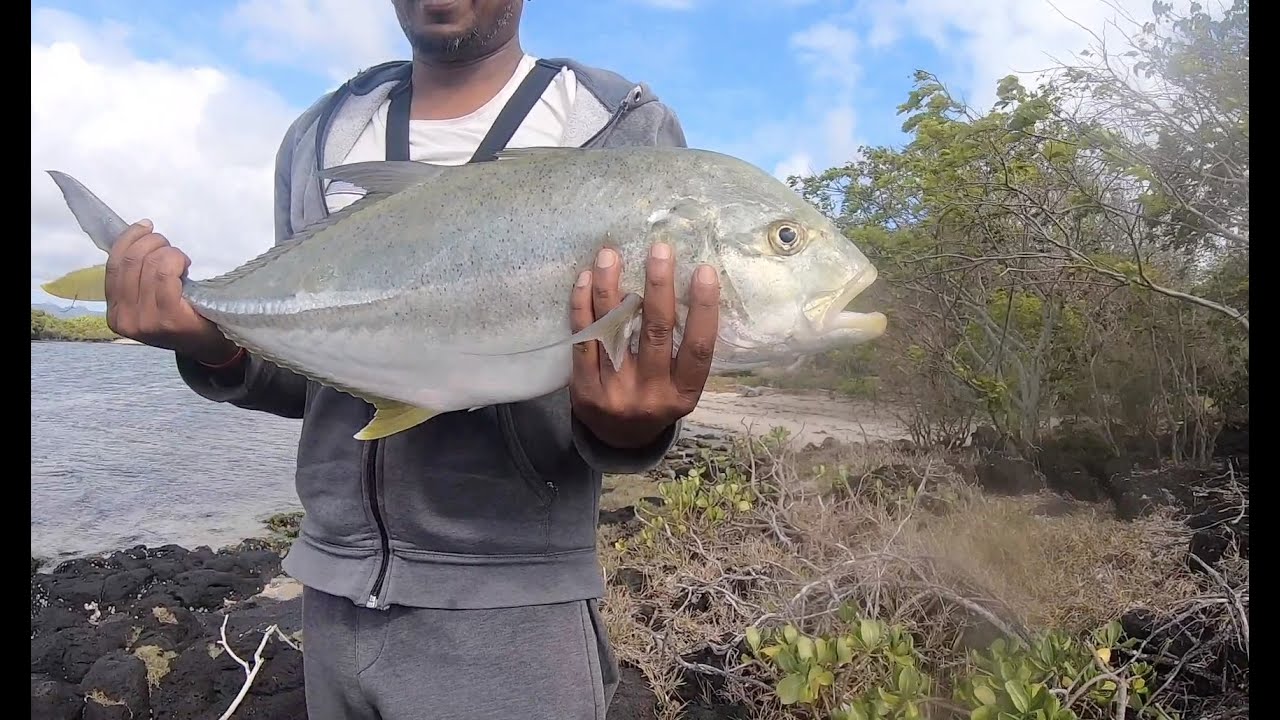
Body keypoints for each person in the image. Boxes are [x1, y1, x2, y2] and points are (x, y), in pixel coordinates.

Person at [98, 1, 720, 718]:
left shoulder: (618, 126)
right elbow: (319, 371)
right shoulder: (320, 135)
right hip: (330, 597)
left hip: (511, 612)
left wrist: (631, 430)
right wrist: (212, 342)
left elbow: (633, 368)